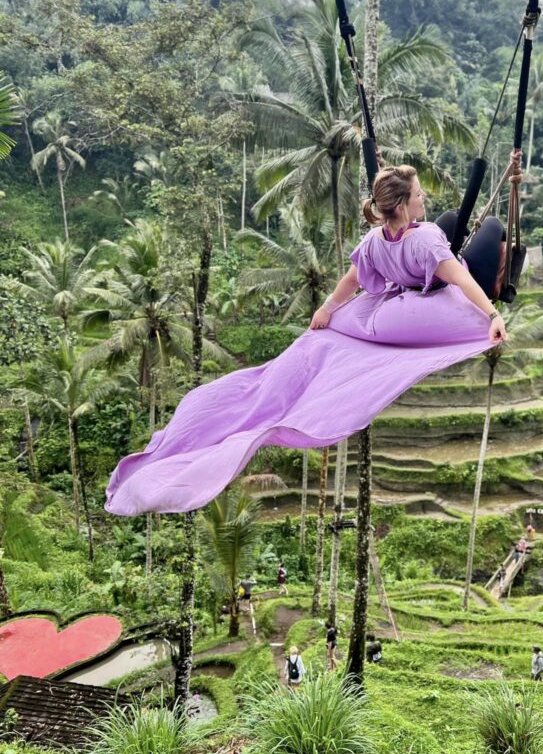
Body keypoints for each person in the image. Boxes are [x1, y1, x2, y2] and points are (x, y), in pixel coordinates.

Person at [105, 165, 508, 517]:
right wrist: (491, 314)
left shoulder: (374, 240)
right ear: (402, 206)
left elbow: (351, 281)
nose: (424, 198)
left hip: (392, 300)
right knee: (489, 229)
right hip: (426, 297)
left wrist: (329, 308)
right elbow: (460, 278)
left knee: (454, 217)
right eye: (419, 194)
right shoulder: (425, 240)